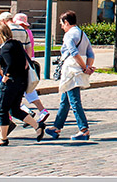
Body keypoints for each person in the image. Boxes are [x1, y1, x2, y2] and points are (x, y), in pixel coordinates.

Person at [0, 23, 45, 146]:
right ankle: (37, 126)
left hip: (11, 83)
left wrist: (6, 76)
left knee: (2, 108)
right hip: (21, 82)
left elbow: (10, 65)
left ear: (1, 35)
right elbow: (25, 63)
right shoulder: (17, 44)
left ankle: (3, 138)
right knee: (15, 109)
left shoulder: (5, 48)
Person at [44, 11, 95, 141]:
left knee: (74, 100)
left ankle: (84, 129)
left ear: (67, 22)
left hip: (71, 68)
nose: (61, 26)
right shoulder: (82, 34)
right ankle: (56, 127)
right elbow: (91, 53)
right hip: (80, 67)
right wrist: (87, 67)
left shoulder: (69, 35)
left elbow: (73, 52)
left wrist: (84, 67)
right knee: (65, 100)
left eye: (62, 24)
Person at [9, 13, 49, 124]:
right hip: (27, 63)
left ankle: (21, 111)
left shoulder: (20, 32)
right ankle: (39, 110)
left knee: (8, 90)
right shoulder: (28, 32)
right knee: (27, 89)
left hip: (19, 64)